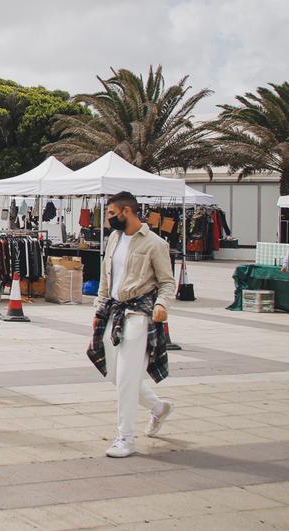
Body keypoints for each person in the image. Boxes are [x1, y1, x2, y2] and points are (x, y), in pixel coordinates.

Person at [87, 191, 176, 458]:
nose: (108, 220)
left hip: (139, 315)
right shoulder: (114, 238)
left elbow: (168, 282)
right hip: (113, 313)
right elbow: (106, 277)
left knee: (126, 377)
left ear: (127, 211)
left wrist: (162, 305)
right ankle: (159, 408)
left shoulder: (154, 243)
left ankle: (125, 438)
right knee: (115, 374)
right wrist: (99, 309)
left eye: (112, 214)